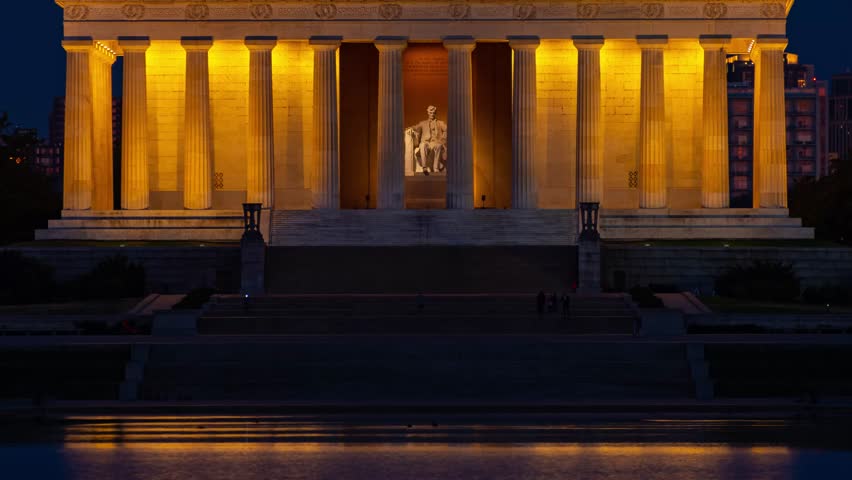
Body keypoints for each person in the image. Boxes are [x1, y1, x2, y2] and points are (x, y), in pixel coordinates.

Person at [406, 105, 448, 175]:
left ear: (435, 113)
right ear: (428, 113)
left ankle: (436, 168)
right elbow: (415, 127)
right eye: (430, 113)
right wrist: (409, 129)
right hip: (426, 143)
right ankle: (424, 167)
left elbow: (447, 130)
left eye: (433, 113)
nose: (432, 114)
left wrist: (442, 139)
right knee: (422, 145)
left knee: (439, 146)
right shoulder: (423, 123)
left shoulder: (440, 123)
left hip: (436, 142)